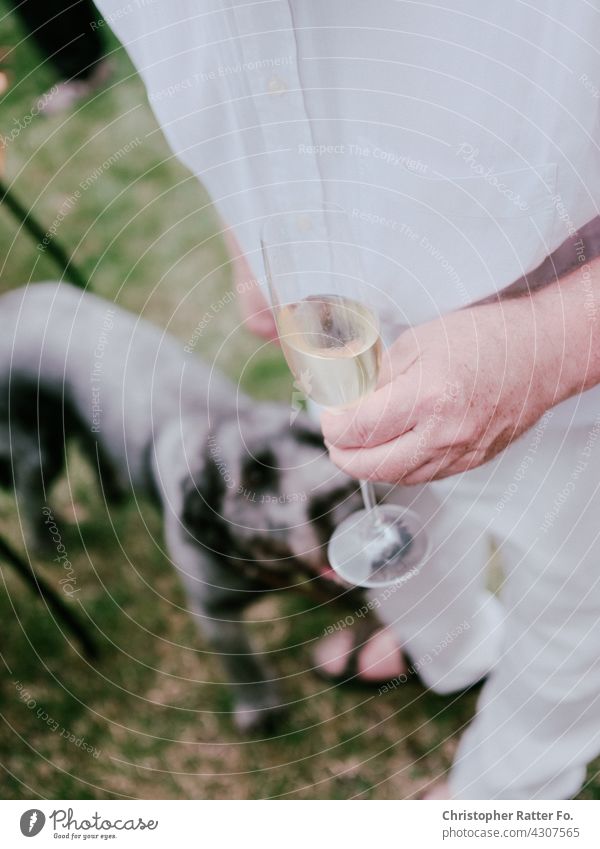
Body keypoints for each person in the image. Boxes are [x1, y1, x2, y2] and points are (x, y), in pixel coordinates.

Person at [94, 0, 600, 799]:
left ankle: (508, 795)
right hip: (338, 311)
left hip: (558, 316)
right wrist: (246, 221)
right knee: (389, 504)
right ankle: (453, 649)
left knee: (580, 608)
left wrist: (558, 339)